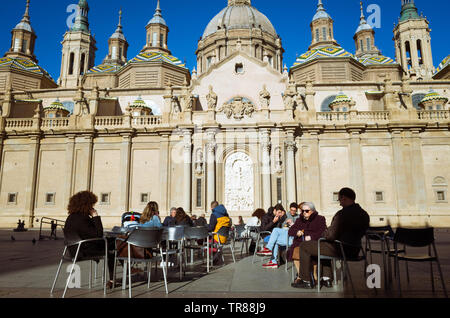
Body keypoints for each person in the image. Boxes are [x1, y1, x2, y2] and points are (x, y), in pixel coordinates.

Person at [292, 188, 370, 289]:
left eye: (340, 200)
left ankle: (305, 280)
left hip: (341, 249)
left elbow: (331, 235)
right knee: (323, 246)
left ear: (344, 198)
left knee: (304, 246)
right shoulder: (364, 214)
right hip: (356, 250)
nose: (340, 204)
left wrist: (324, 234)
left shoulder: (342, 214)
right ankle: (326, 278)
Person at [63, 191, 115, 288]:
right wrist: (95, 216)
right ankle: (113, 279)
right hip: (84, 251)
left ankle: (122, 274)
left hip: (74, 250)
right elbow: (98, 234)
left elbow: (89, 233)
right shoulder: (82, 219)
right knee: (115, 247)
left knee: (113, 242)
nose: (92, 207)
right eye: (91, 204)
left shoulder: (72, 217)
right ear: (87, 204)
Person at [289, 202, 327, 279]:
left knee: (311, 253)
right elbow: (291, 230)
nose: (304, 212)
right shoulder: (299, 220)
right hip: (300, 243)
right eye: (303, 211)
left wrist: (311, 237)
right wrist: (297, 232)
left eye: (307, 211)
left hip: (314, 243)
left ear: (312, 211)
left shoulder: (320, 219)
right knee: (294, 251)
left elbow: (323, 232)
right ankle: (301, 275)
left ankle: (313, 276)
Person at [259, 203, 302, 269]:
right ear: (275, 210)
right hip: (267, 235)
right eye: (278, 212)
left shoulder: (297, 217)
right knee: (275, 234)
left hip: (285, 236)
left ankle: (273, 260)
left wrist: (283, 217)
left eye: (294, 210)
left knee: (276, 234)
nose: (279, 214)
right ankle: (272, 258)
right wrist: (273, 222)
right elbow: (262, 229)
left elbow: (282, 226)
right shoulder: (265, 216)